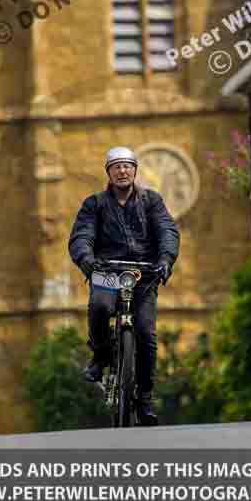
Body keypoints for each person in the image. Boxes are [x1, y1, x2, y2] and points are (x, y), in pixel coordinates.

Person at [68, 146, 180, 426]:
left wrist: (165, 259)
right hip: (106, 270)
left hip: (143, 274)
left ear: (135, 170)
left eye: (127, 166)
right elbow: (81, 236)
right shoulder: (94, 204)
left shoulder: (152, 201)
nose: (122, 171)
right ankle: (101, 355)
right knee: (99, 306)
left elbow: (167, 231)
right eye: (116, 166)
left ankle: (144, 398)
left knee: (145, 334)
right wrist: (87, 260)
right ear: (108, 172)